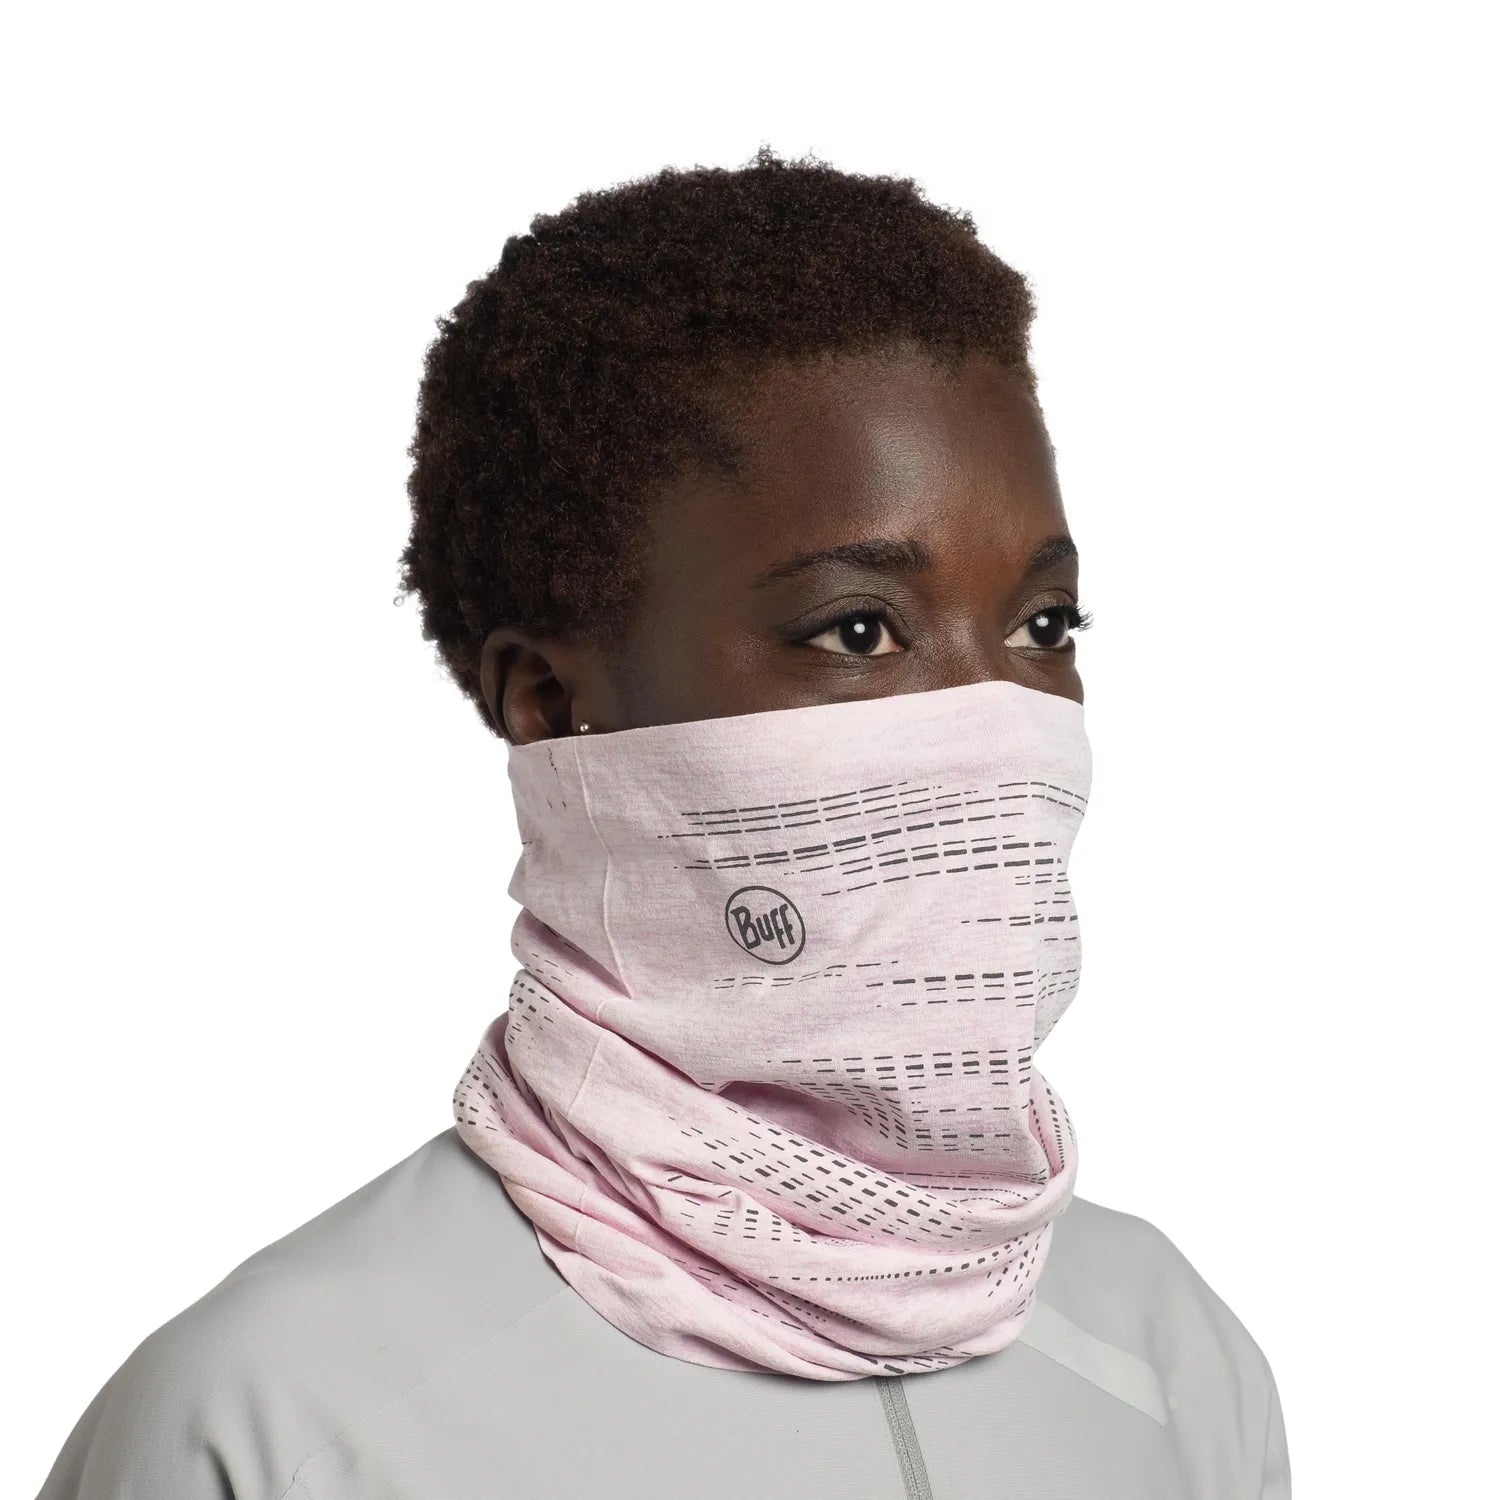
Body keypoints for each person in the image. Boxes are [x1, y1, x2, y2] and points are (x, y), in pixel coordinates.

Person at [36, 145, 1290, 1499]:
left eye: (1044, 626)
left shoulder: (1170, 1354)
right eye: (858, 631)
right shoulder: (279, 1419)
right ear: (552, 701)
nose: (994, 723)